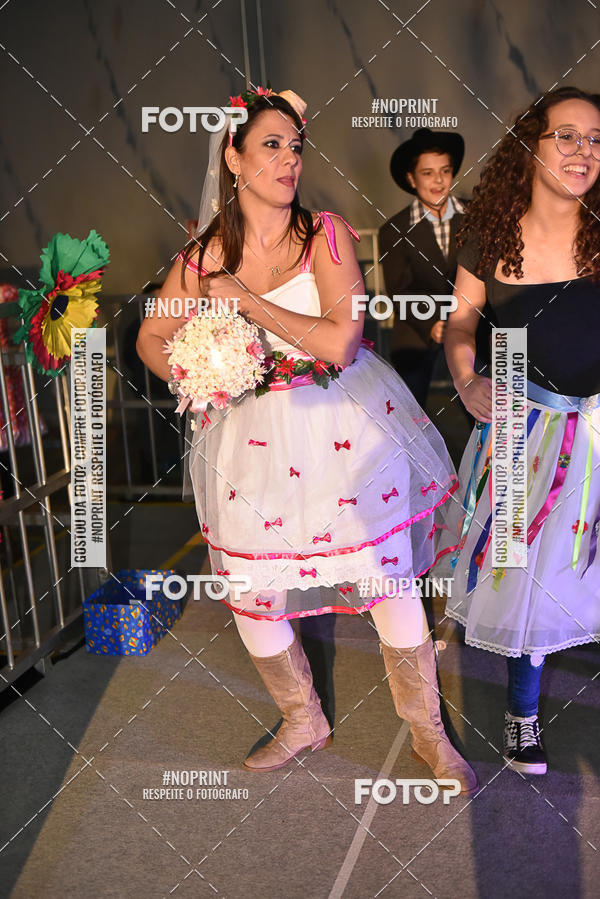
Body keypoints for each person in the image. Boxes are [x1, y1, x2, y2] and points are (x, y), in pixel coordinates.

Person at [136, 87, 477, 793]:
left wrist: (247, 306)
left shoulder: (323, 233)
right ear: (233, 157)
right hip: (249, 442)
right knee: (248, 588)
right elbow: (151, 334)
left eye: (296, 145)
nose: (290, 158)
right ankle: (303, 718)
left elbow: (343, 341)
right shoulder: (201, 256)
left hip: (340, 429)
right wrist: (202, 366)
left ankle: (428, 735)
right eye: (271, 144)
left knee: (385, 579)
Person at [437, 85, 600, 775]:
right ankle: (523, 715)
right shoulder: (489, 231)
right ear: (532, 146)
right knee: (526, 578)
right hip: (526, 432)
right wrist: (468, 377)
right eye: (567, 135)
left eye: (595, 139)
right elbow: (461, 325)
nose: (583, 151)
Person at [379, 128, 469, 408]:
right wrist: (431, 324)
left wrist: (463, 321)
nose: (439, 180)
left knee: (484, 396)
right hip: (419, 321)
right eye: (428, 173)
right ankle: (412, 446)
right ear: (411, 178)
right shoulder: (393, 230)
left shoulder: (478, 216)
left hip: (470, 320)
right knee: (408, 402)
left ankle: (487, 447)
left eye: (445, 170)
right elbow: (399, 291)